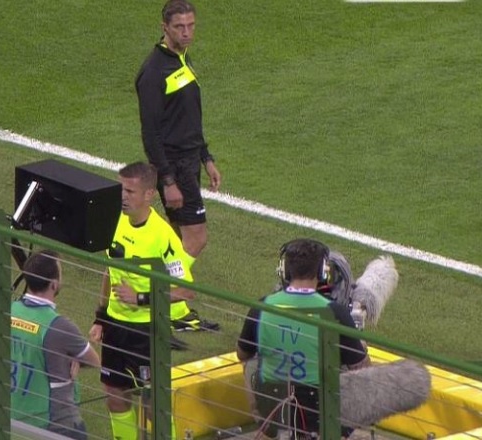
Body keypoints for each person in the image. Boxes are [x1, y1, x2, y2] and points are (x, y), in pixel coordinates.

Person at [89, 161, 196, 440]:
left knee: (153, 404)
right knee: (115, 395)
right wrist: (100, 317)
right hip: (115, 327)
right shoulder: (113, 220)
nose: (122, 197)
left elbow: (186, 291)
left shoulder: (163, 236)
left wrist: (140, 298)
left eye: (130, 191)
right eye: (120, 189)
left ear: (149, 194)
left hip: (147, 332)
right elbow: (109, 270)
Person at [236, 239, 371, 439]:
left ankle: (267, 431)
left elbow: (242, 354)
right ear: (322, 271)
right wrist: (360, 347)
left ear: (284, 270)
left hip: (274, 411)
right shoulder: (334, 312)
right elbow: (362, 369)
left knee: (252, 364)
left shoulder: (262, 306)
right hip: (320, 415)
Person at [135, 0, 221, 260]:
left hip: (190, 159)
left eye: (191, 26)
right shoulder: (154, 72)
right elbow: (150, 134)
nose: (187, 33)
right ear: (165, 27)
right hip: (176, 165)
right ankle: (157, 286)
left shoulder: (181, 57)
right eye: (179, 27)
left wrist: (206, 158)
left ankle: (142, 272)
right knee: (196, 239)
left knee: (176, 237)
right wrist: (168, 181)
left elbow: (188, 118)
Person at [10, 250, 100, 440]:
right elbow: (94, 361)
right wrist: (72, 359)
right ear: (53, 284)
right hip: (53, 422)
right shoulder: (59, 326)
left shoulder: (9, 311)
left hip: (13, 415)